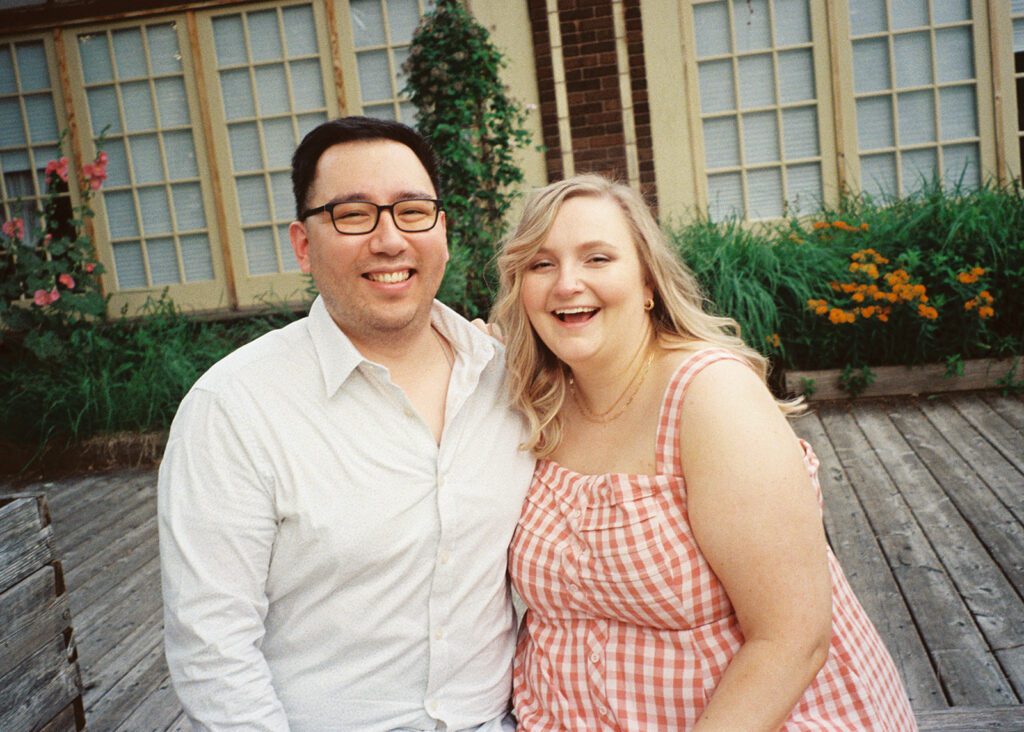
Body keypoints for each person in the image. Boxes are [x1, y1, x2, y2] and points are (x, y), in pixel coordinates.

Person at [492, 174, 916, 730]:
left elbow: (791, 640)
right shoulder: (534, 400)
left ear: (648, 283)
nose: (567, 283)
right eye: (541, 264)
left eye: (597, 259)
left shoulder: (711, 397)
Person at [158, 116, 535, 730]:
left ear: (443, 228)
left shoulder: (509, 379)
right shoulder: (233, 407)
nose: (389, 240)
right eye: (352, 214)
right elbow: (213, 651)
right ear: (302, 244)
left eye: (412, 210)